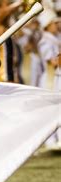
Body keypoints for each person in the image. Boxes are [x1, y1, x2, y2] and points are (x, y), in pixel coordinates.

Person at [37, 8, 60, 149]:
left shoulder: (54, 38)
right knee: (51, 110)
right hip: (51, 79)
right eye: (54, 23)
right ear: (47, 25)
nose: (56, 26)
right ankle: (51, 140)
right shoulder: (45, 41)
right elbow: (52, 62)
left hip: (57, 77)